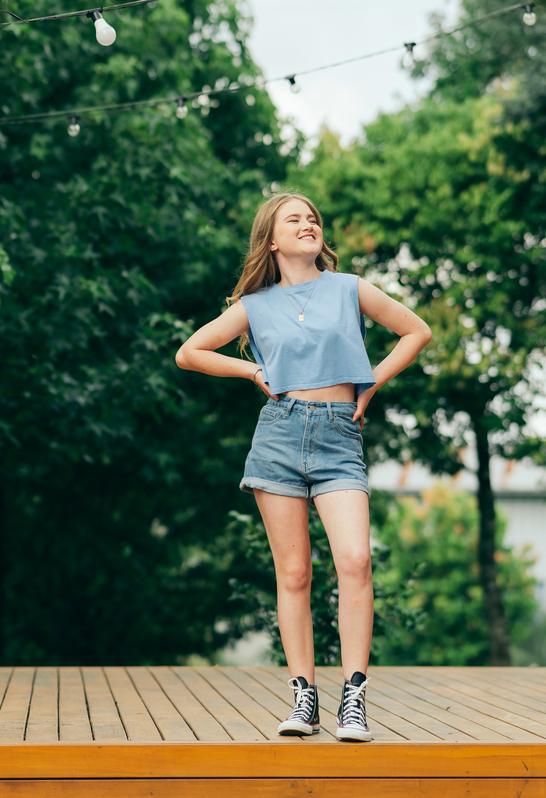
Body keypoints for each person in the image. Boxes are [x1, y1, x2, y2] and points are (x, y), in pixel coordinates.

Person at [174, 192, 431, 742]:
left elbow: (417, 331)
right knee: (293, 575)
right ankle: (304, 699)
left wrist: (373, 379)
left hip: (340, 434)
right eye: (295, 219)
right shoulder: (256, 304)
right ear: (272, 239)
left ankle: (354, 699)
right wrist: (249, 373)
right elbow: (189, 352)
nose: (308, 223)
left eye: (312, 218)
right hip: (279, 435)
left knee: (356, 561)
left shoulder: (349, 288)